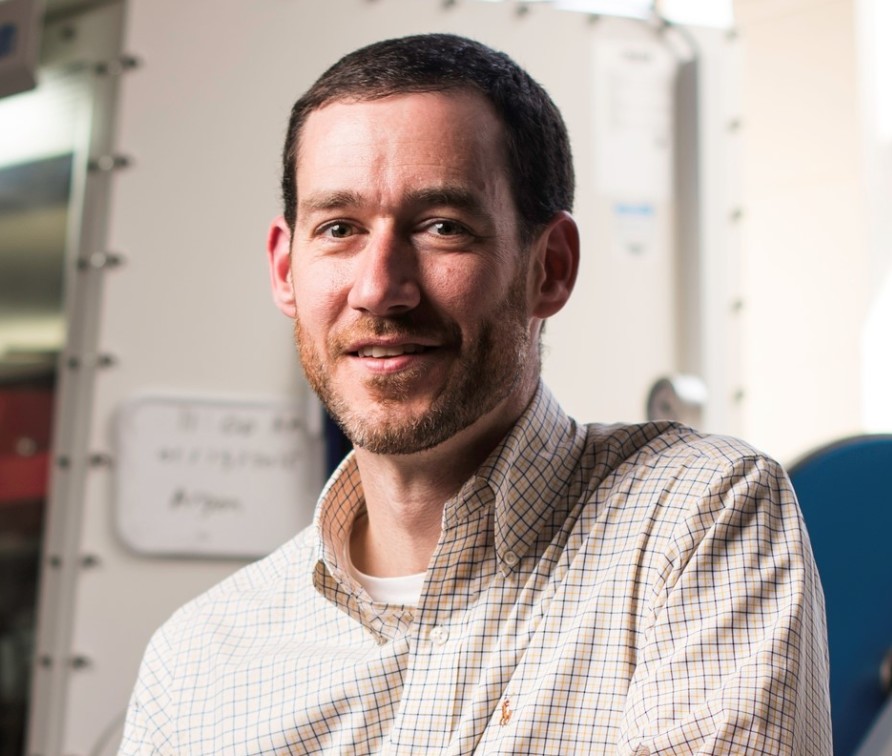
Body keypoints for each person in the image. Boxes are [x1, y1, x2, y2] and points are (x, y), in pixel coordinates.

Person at [120, 33, 831, 754]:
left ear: (549, 267)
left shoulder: (693, 523)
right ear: (284, 269)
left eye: (442, 228)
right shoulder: (196, 665)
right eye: (339, 229)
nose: (379, 289)